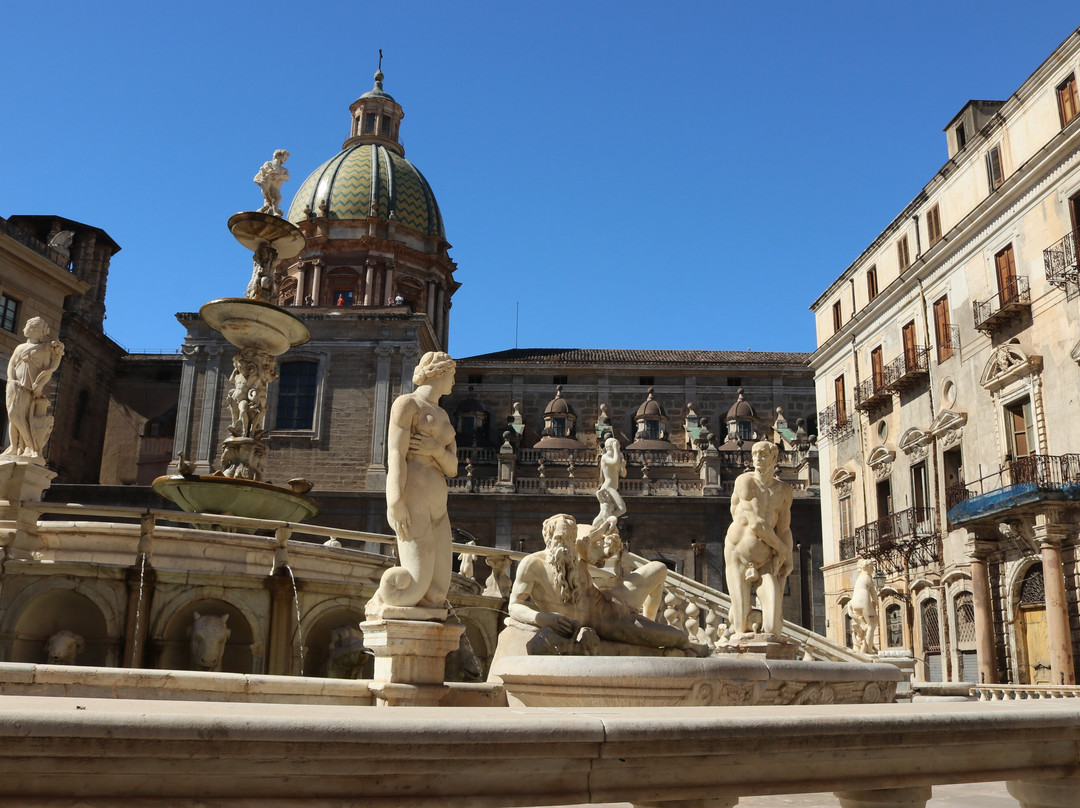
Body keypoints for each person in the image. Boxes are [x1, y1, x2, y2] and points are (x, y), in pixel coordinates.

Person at [506, 513, 705, 654]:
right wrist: (541, 618)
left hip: (611, 600)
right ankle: (660, 634)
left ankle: (648, 620)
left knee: (659, 569)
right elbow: (514, 605)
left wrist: (607, 541)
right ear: (548, 538)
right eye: (559, 538)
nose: (565, 544)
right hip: (610, 623)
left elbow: (597, 550)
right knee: (678, 637)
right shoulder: (532, 565)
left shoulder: (575, 553)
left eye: (569, 538)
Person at [366, 351, 459, 619]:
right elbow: (395, 454)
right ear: (439, 373)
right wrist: (394, 501)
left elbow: (452, 468)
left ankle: (426, 630)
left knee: (438, 593)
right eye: (452, 374)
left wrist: (435, 450)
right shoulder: (407, 404)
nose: (454, 381)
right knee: (412, 589)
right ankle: (382, 603)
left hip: (439, 508)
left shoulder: (444, 416)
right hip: (414, 499)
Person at [723, 441, 794, 641]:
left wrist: (788, 558)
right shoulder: (745, 482)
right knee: (741, 627)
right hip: (738, 554)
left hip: (765, 558)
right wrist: (781, 549)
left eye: (763, 454)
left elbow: (784, 528)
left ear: (774, 458)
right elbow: (755, 523)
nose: (757, 458)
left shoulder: (784, 490)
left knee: (772, 626)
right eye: (754, 454)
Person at [3, 317, 64, 461]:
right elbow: (12, 364)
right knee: (13, 418)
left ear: (36, 330)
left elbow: (48, 370)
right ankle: (14, 447)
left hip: (28, 387)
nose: (25, 329)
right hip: (14, 386)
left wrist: (40, 385)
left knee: (16, 415)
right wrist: (11, 379)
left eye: (28, 326)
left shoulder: (43, 349)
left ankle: (31, 446)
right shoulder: (20, 348)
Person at [253, 149, 290, 217]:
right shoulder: (268, 164)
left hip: (275, 187)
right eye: (285, 157)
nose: (285, 160)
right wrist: (256, 180)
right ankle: (274, 211)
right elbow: (260, 174)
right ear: (278, 156)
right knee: (275, 198)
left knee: (276, 199)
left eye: (286, 158)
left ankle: (272, 211)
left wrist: (279, 176)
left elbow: (287, 178)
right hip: (267, 185)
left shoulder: (284, 170)